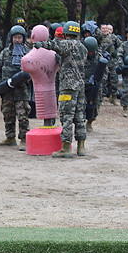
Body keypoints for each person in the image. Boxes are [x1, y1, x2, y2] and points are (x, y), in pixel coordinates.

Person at [36, 21, 87, 157]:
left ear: (65, 33)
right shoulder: (83, 47)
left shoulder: (67, 44)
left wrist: (41, 44)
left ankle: (65, 147)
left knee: (67, 116)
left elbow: (55, 45)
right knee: (79, 116)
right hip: (80, 86)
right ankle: (81, 146)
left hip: (68, 86)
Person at [0, 25, 31, 149]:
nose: (17, 40)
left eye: (19, 37)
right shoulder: (5, 52)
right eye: (15, 37)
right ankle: (10, 137)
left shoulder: (28, 53)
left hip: (21, 90)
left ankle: (24, 139)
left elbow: (33, 71)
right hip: (6, 90)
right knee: (7, 114)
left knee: (22, 115)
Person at [82, 36, 103, 132]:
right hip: (83, 83)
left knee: (95, 105)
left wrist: (98, 81)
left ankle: (90, 121)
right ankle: (81, 122)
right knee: (81, 105)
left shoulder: (99, 57)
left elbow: (104, 71)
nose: (90, 53)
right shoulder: (81, 56)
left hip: (94, 85)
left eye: (91, 51)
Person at [100, 24, 122, 104]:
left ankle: (113, 97)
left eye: (106, 28)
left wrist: (115, 53)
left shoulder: (113, 37)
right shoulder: (98, 37)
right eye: (103, 28)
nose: (105, 30)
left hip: (112, 62)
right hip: (102, 61)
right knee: (102, 80)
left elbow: (121, 46)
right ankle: (101, 97)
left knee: (114, 80)